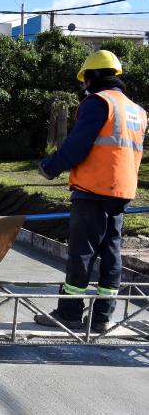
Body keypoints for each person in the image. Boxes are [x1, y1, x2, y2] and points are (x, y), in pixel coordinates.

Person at [35, 50, 146, 333]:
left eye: (85, 79)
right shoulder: (136, 110)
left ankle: (69, 313)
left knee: (81, 253)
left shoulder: (98, 102)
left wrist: (50, 167)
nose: (83, 85)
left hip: (94, 188)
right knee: (112, 253)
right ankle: (101, 318)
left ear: (94, 76)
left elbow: (77, 144)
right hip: (122, 190)